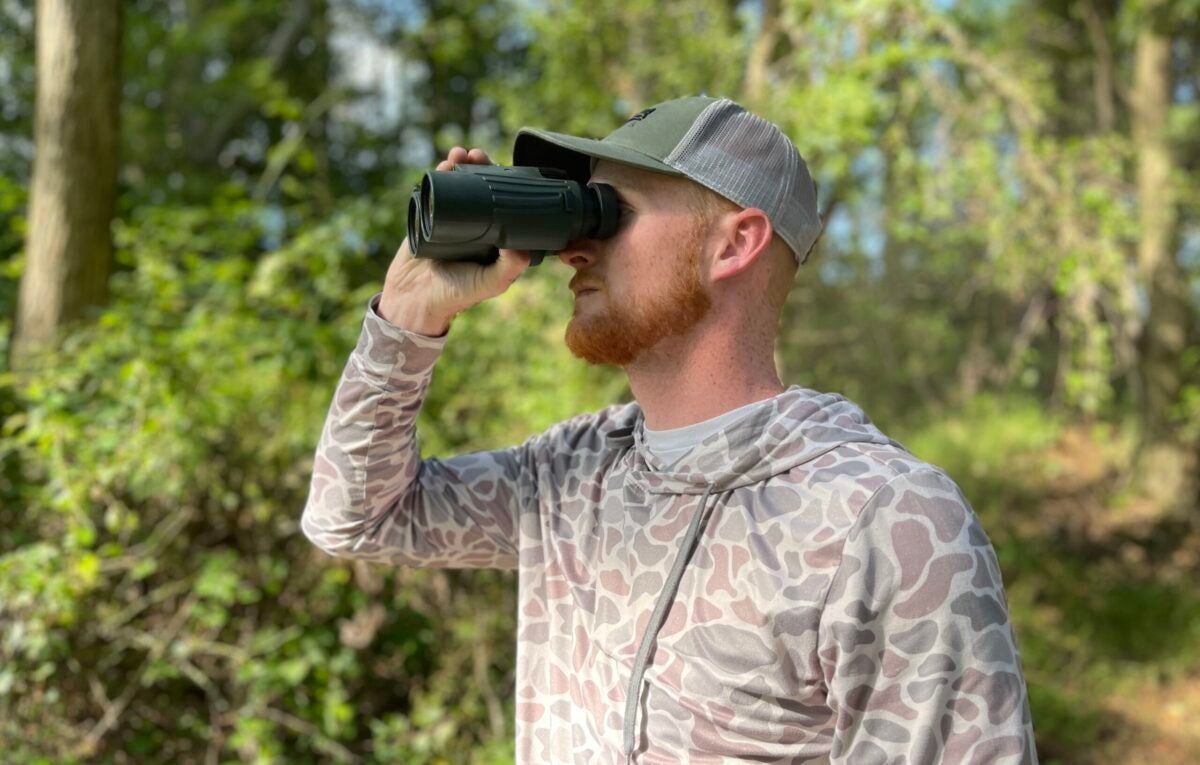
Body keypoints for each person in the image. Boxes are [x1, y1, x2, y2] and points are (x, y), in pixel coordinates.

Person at [301, 95, 1038, 764]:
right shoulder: (570, 475)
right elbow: (356, 517)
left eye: (608, 212)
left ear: (734, 243)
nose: (574, 247)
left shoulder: (885, 520)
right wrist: (408, 314)